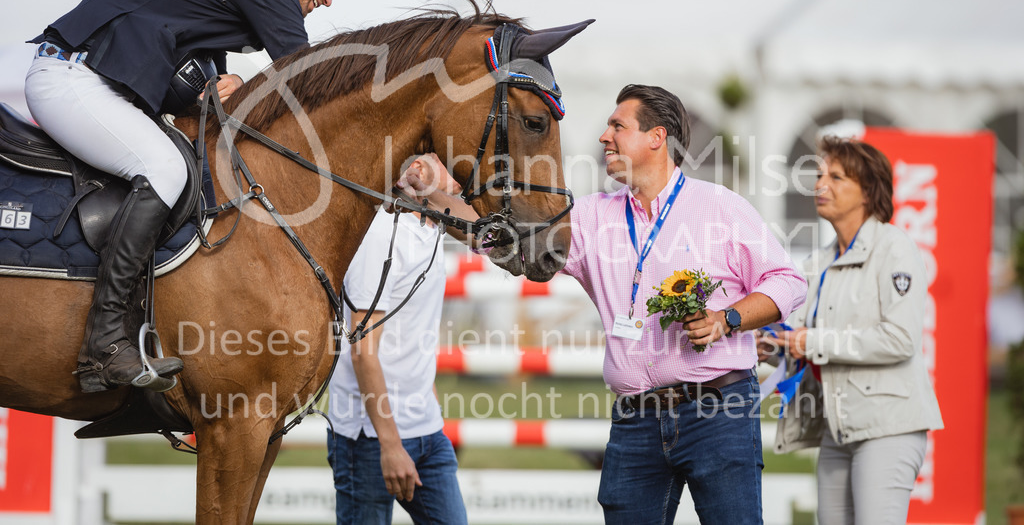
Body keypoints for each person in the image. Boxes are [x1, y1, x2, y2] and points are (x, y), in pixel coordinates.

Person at [399, 85, 807, 524]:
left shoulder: (721, 207)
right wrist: (434, 197)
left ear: (657, 137)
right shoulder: (592, 215)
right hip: (636, 420)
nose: (603, 136)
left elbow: (787, 281)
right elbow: (511, 246)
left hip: (717, 410)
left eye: (618, 126)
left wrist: (727, 319)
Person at [23, 0, 353, 393]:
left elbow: (201, 90)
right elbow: (306, 77)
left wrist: (234, 86)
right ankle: (105, 344)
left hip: (88, 80)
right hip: (72, 80)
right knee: (164, 169)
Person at [763, 136, 943, 525]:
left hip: (888, 429)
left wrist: (811, 341)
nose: (820, 185)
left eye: (837, 177)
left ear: (867, 191)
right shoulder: (817, 263)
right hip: (836, 430)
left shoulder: (895, 248)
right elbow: (802, 337)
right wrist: (775, 346)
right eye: (819, 174)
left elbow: (900, 339)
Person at [326, 171, 467, 525]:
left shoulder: (432, 228)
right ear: (418, 166)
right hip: (371, 439)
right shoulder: (381, 233)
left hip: (426, 430)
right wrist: (390, 445)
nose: (462, 170)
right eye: (447, 160)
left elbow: (488, 232)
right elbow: (363, 349)